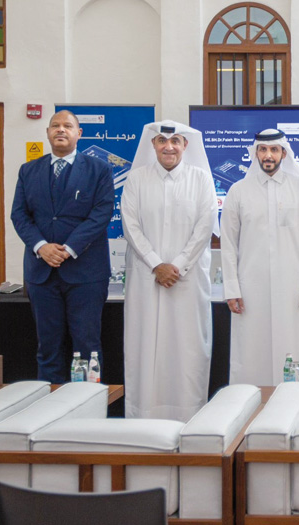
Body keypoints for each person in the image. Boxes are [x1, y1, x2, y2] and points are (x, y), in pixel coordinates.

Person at [121, 121, 217, 421]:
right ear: (153, 145)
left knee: (187, 349)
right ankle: (143, 418)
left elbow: (205, 226)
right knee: (145, 345)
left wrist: (178, 265)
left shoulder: (201, 179)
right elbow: (130, 225)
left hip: (187, 280)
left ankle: (189, 418)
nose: (169, 147)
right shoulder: (136, 179)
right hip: (146, 278)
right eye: (162, 141)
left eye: (175, 141)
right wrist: (156, 264)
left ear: (185, 145)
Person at [11, 110, 114, 383]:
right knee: (48, 348)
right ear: (47, 133)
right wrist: (41, 246)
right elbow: (19, 215)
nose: (60, 129)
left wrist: (68, 248)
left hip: (86, 274)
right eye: (55, 125)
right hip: (41, 274)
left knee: (87, 346)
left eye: (67, 126)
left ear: (79, 133)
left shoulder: (99, 170)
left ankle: (87, 405)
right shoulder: (28, 171)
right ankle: (49, 404)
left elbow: (101, 214)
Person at [221, 129, 299, 385]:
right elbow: (228, 244)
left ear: (284, 153)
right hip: (250, 289)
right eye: (263, 150)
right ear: (255, 153)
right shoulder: (238, 191)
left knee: (295, 349)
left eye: (274, 150)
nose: (268, 155)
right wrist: (232, 289)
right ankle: (251, 404)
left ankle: (296, 404)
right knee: (251, 351)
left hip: (294, 289)